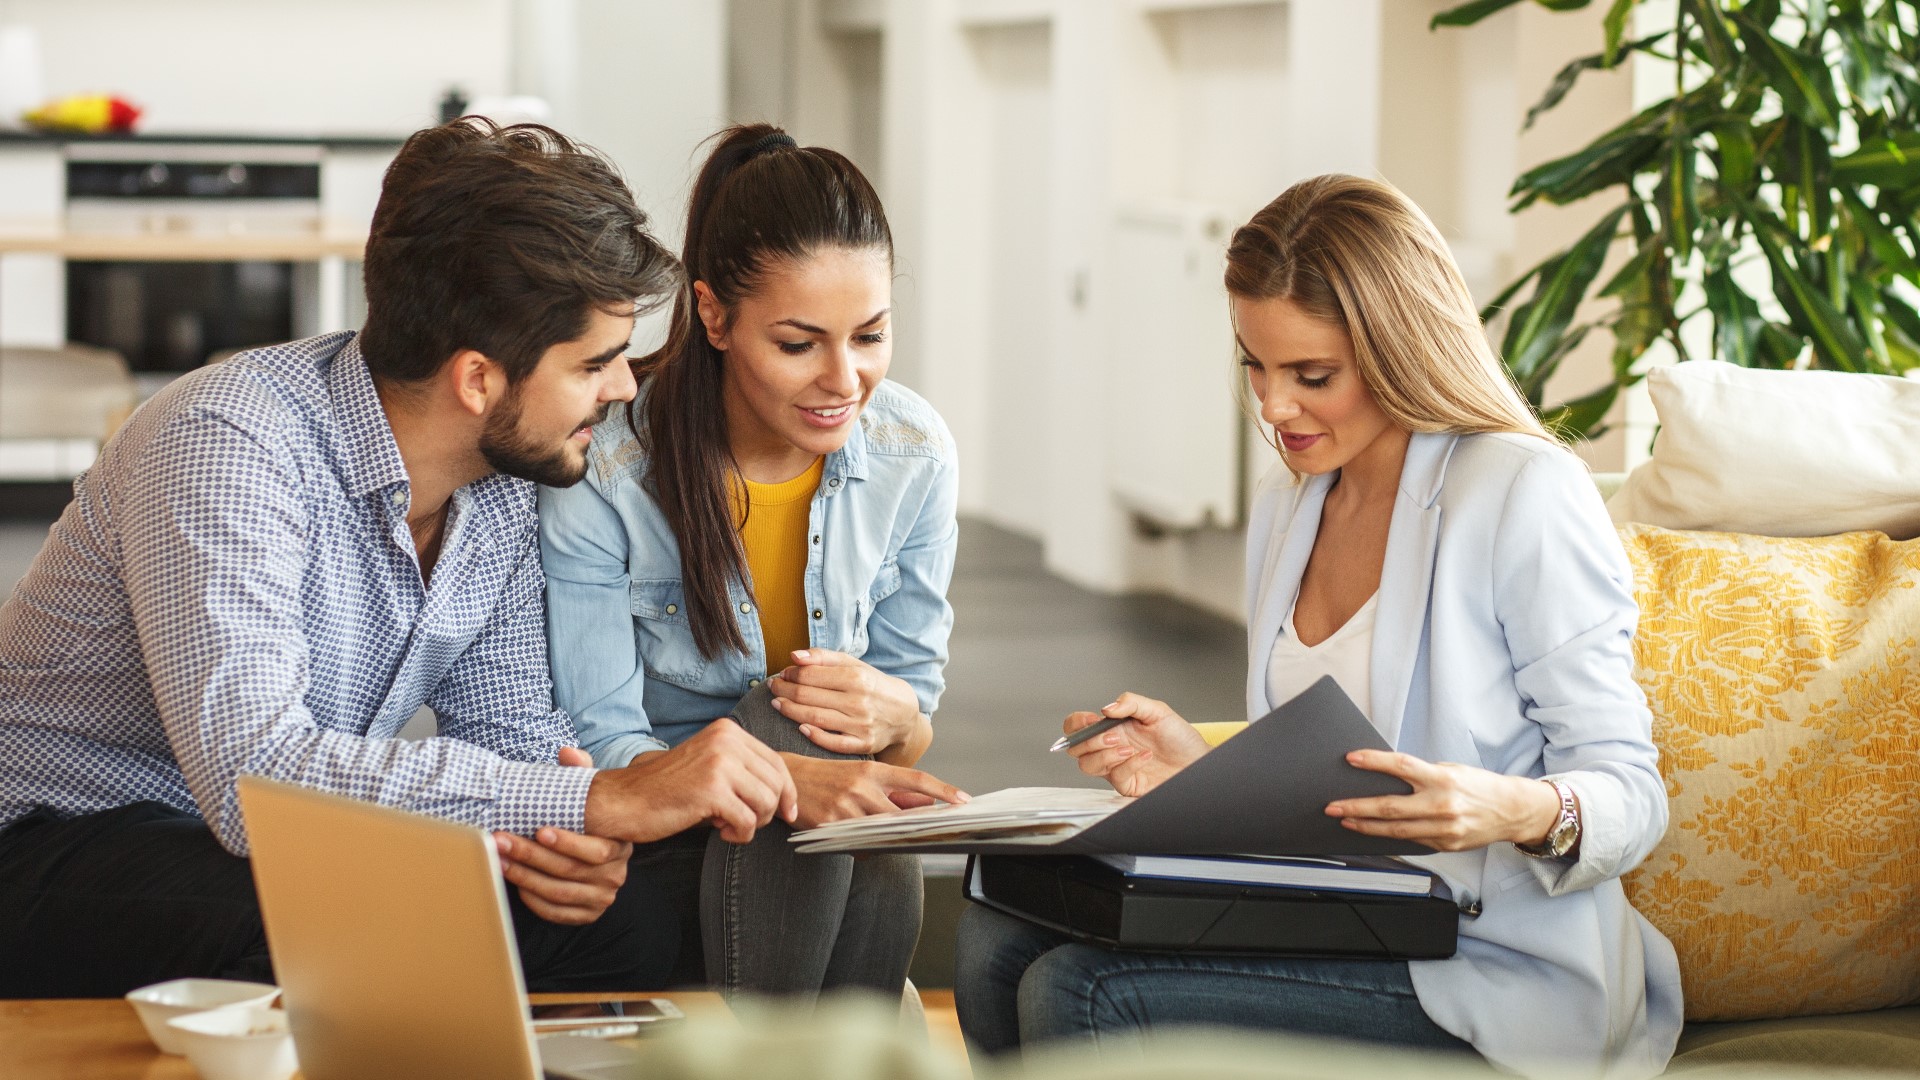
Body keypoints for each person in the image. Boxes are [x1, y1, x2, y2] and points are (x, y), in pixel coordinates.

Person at [0, 119, 799, 999]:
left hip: (265, 848)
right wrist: (597, 801)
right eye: (594, 364)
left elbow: (514, 739)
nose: (619, 390)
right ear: (477, 379)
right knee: (340, 919)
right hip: (54, 838)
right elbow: (252, 778)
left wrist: (563, 848)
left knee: (624, 922)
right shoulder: (226, 442)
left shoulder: (498, 486)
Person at [953, 175, 1683, 1077]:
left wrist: (1510, 809)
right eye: (1254, 364)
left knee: (1083, 988)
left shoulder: (1521, 493)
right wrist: (1201, 765)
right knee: (994, 939)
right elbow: (1332, 775)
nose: (1271, 406)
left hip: (1490, 966)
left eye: (1312, 375)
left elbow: (1632, 796)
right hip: (1343, 920)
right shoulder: (1290, 506)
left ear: (1400, 349)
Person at [539, 124, 964, 1002]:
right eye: (800, 344)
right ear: (714, 316)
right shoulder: (610, 469)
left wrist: (894, 715)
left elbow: (909, 727)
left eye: (871, 336)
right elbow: (602, 742)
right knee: (780, 722)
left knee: (855, 799)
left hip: (827, 844)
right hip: (668, 833)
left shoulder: (913, 452)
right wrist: (788, 777)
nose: (845, 379)